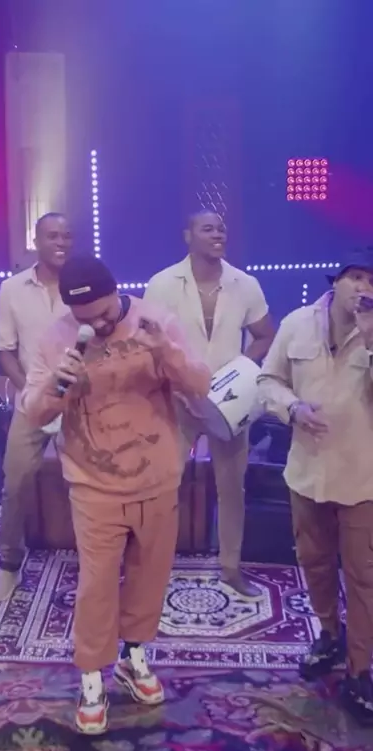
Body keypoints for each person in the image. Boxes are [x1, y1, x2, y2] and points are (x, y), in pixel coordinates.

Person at [23, 254, 211, 735]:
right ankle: (91, 676)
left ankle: (134, 656)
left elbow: (200, 385)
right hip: (93, 485)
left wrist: (165, 351)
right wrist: (57, 382)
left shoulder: (155, 320)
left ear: (116, 291)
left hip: (157, 477)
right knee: (97, 584)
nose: (98, 325)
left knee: (150, 575)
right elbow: (33, 412)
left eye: (105, 313)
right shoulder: (56, 337)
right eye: (84, 318)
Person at [257, 249, 373, 725]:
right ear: (336, 282)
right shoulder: (297, 324)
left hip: (362, 478)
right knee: (315, 561)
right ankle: (328, 635)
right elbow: (268, 380)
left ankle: (361, 670)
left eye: (371, 281)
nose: (364, 288)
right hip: (306, 473)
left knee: (363, 576)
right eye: (356, 277)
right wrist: (292, 409)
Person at [143, 210, 275, 599]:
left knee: (232, 490)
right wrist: (175, 381)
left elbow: (265, 334)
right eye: (208, 229)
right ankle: (153, 568)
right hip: (177, 400)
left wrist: (238, 374)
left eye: (221, 228)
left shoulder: (245, 284)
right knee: (163, 487)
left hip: (229, 406)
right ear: (188, 236)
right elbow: (146, 343)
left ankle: (231, 568)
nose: (218, 233)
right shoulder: (162, 284)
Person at [0, 212, 73, 601]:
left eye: (67, 236)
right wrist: (28, 391)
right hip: (31, 402)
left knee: (94, 484)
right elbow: (4, 350)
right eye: (53, 236)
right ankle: (9, 564)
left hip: (79, 402)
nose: (61, 242)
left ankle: (98, 559)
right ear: (36, 241)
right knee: (16, 482)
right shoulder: (12, 289)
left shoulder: (83, 283)